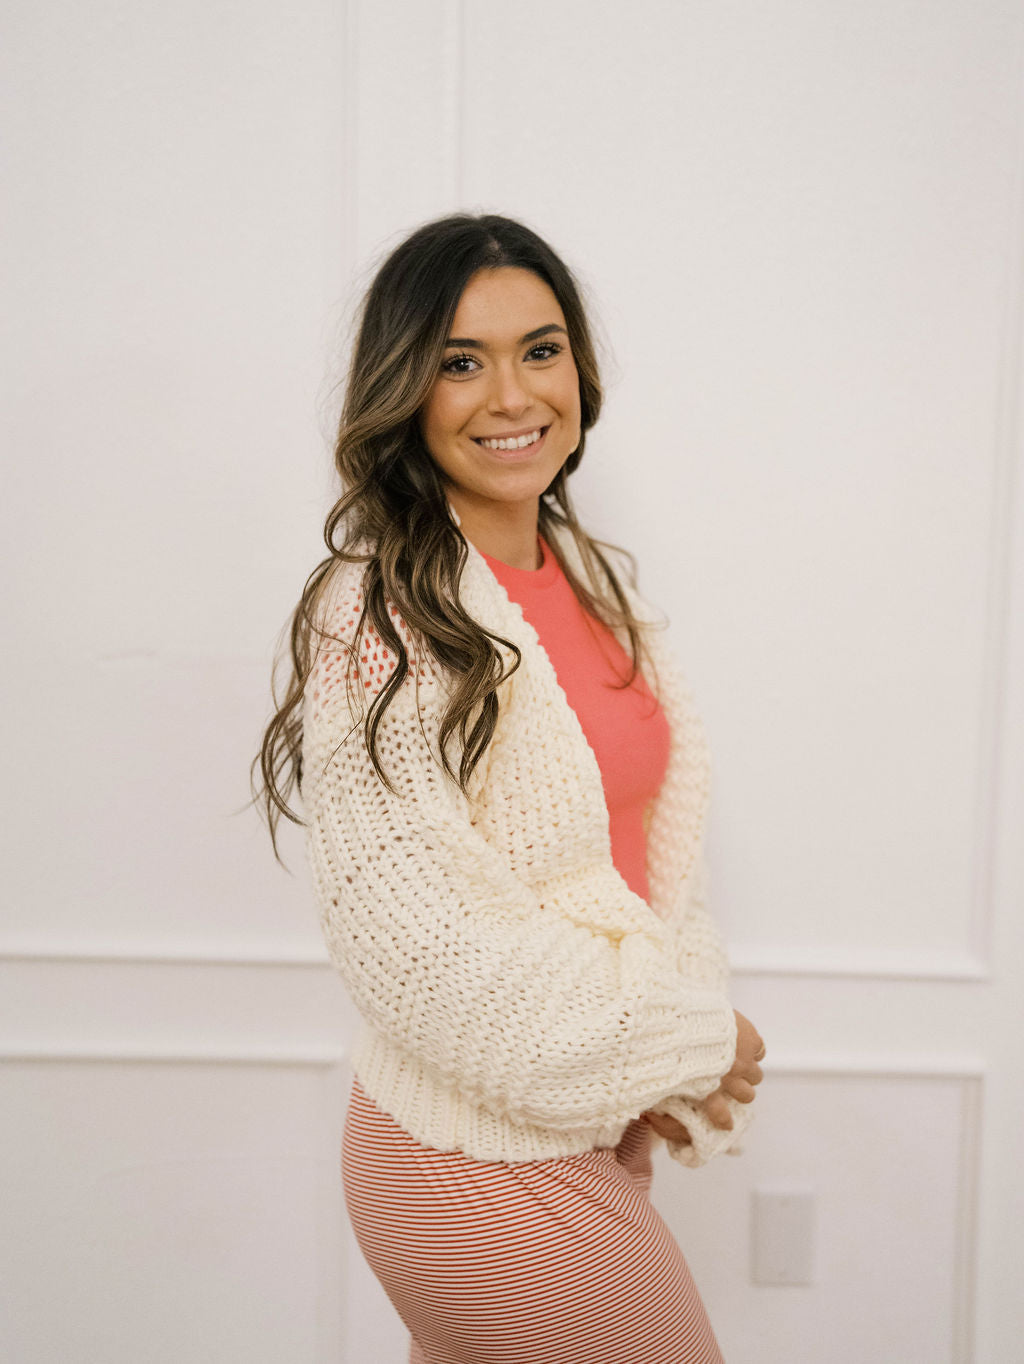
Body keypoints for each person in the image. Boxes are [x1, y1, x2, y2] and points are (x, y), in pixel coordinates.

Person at [254, 212, 766, 1364]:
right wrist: (693, 1036)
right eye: (459, 361)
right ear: (405, 388)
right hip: (468, 1156)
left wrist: (654, 1057)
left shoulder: (591, 585)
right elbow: (423, 948)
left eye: (540, 349)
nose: (511, 395)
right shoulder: (381, 611)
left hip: (584, 1123)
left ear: (579, 369)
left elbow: (647, 869)